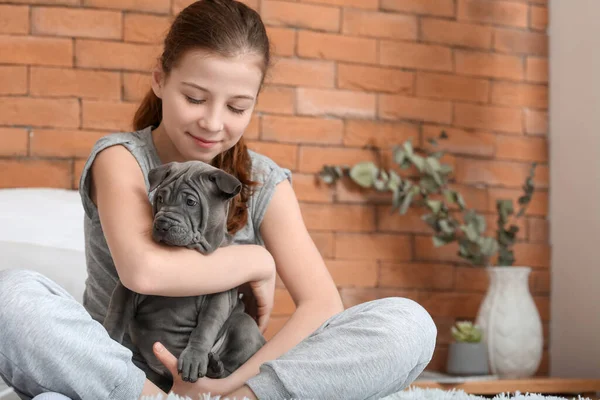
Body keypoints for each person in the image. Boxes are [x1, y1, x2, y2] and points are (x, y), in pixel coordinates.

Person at [0, 0, 438, 399]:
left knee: (408, 324)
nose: (212, 122)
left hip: (224, 374)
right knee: (11, 296)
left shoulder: (263, 179)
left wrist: (236, 385)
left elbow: (322, 305)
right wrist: (257, 263)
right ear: (159, 80)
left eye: (237, 107)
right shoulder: (122, 158)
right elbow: (145, 272)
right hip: (121, 371)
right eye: (194, 98)